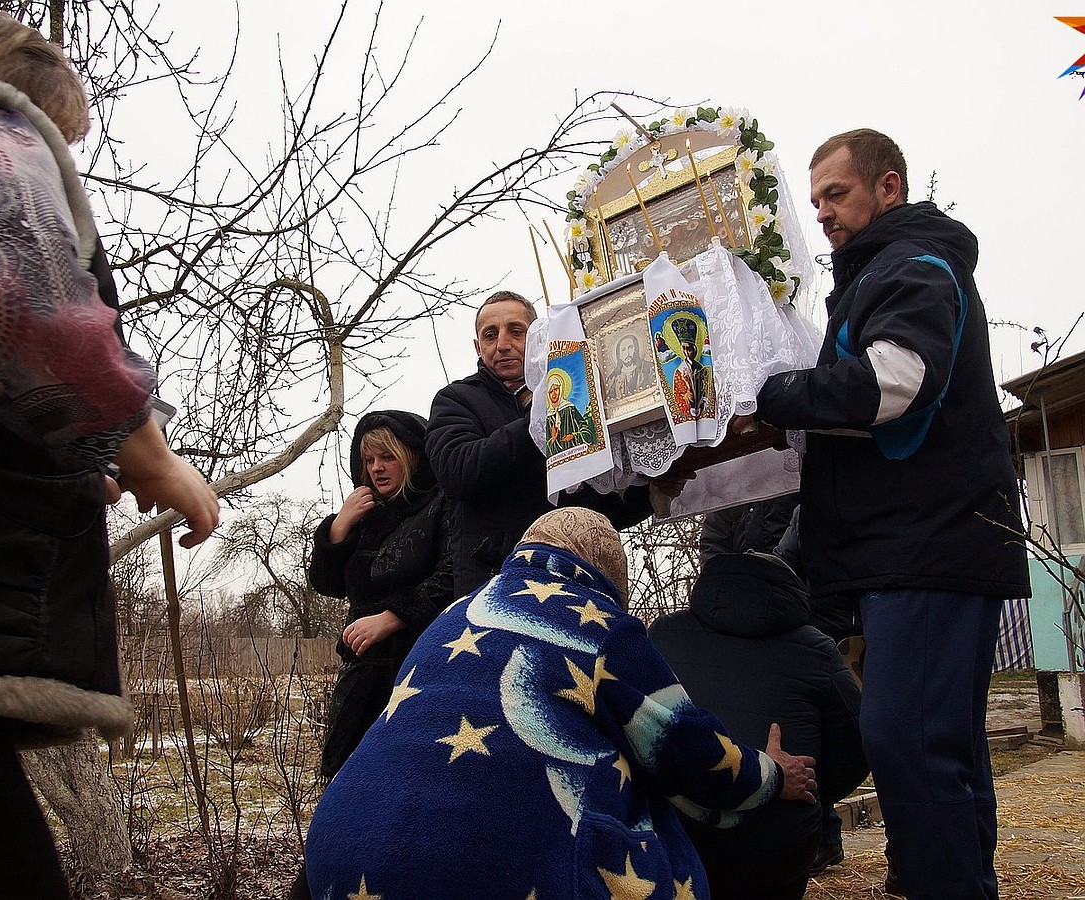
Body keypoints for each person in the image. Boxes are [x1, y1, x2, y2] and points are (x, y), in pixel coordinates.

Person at [0, 11, 219, 900]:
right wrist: (148, 454)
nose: (49, 160)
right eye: (57, 140)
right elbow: (13, 310)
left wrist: (66, 457)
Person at [753, 128, 1030, 900]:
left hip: (929, 545)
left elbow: (892, 386)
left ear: (889, 187)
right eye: (814, 203)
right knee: (945, 748)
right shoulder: (885, 271)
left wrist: (769, 394)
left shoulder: (913, 267)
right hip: (922, 547)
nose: (824, 215)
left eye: (836, 195)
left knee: (906, 742)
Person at [304, 508, 818, 900]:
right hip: (484, 873)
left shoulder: (456, 613)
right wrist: (771, 774)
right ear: (608, 574)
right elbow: (689, 753)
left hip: (337, 859)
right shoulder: (601, 624)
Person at [649, 552, 868, 899]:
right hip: (776, 845)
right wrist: (809, 787)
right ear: (791, 591)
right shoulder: (818, 650)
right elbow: (855, 748)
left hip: (678, 837)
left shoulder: (662, 634)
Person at [426, 290, 655, 597]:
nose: (503, 344)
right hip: (498, 582)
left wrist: (651, 491)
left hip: (574, 580)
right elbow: (459, 470)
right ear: (478, 347)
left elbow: (593, 504)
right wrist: (540, 423)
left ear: (536, 337)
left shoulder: (573, 394)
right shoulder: (456, 400)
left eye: (516, 331)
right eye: (490, 335)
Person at [307, 410, 453, 779]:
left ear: (413, 455)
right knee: (348, 783)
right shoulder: (367, 512)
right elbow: (328, 584)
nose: (376, 468)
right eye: (368, 459)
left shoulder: (443, 504)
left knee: (408, 780)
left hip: (421, 667)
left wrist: (391, 618)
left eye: (388, 457)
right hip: (362, 675)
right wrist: (339, 525)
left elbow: (452, 577)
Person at [544, 370, 597, 455]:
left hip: (578, 453)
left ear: (561, 389)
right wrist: (552, 440)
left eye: (556, 389)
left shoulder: (570, 409)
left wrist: (573, 436)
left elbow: (587, 432)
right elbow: (545, 448)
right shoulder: (549, 417)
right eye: (550, 391)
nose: (554, 394)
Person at [606, 331, 657, 397]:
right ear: (619, 355)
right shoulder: (613, 378)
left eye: (630, 347)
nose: (627, 353)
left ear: (635, 349)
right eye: (623, 349)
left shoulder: (648, 368)